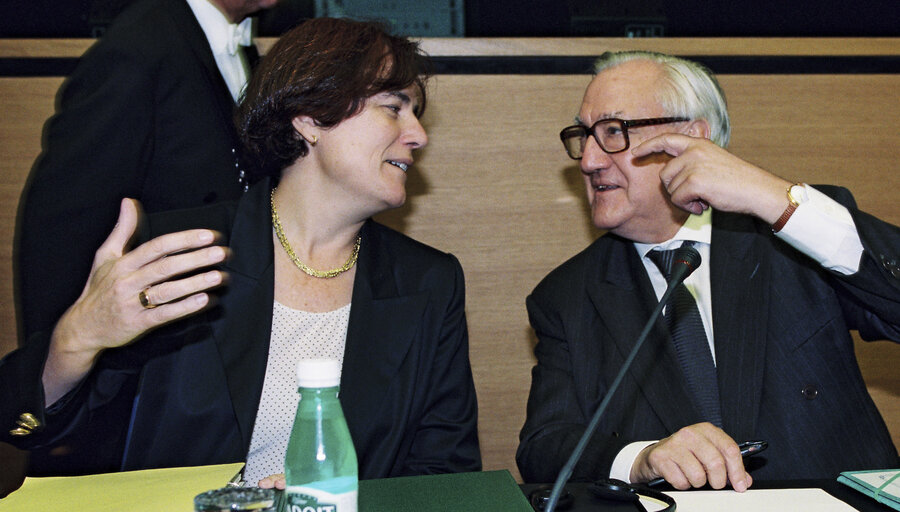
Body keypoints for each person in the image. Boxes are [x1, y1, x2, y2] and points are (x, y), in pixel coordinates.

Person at [0, 18, 481, 483]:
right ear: (311, 117)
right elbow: (43, 432)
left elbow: (444, 476)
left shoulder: (428, 282)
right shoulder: (179, 254)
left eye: (415, 113)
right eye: (394, 107)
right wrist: (76, 339)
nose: (418, 135)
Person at [517, 50, 900, 491]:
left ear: (694, 138)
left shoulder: (796, 235)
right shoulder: (567, 295)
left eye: (613, 132)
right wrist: (640, 458)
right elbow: (543, 449)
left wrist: (776, 200)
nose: (588, 161)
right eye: (583, 136)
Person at [15, 0, 276, 348]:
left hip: (212, 350)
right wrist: (58, 374)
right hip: (145, 364)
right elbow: (63, 228)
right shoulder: (138, 49)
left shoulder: (234, 43)